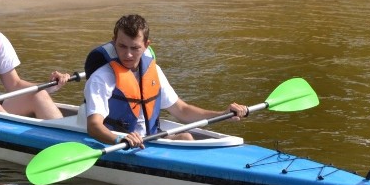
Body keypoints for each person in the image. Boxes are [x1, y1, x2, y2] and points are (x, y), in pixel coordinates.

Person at [83, 14, 248, 149]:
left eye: (135, 48)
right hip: (120, 143)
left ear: (147, 45)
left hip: (151, 139)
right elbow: (94, 126)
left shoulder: (154, 71)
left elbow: (182, 111)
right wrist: (119, 140)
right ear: (113, 41)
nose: (128, 55)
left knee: (186, 137)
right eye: (122, 46)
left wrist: (223, 115)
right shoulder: (101, 78)